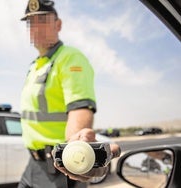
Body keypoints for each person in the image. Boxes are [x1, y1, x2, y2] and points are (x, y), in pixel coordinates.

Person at [19, 0, 121, 188]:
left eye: (42, 20)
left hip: (59, 170)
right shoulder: (35, 66)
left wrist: (76, 148)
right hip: (33, 164)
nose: (36, 28)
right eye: (31, 23)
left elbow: (79, 109)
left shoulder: (69, 58)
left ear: (58, 25)